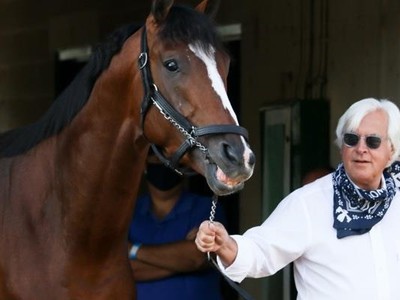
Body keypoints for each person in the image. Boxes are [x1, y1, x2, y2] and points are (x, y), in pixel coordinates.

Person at [195, 98, 400, 299]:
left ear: (391, 150)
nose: (361, 148)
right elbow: (261, 251)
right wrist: (226, 244)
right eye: (352, 139)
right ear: (342, 147)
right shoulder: (309, 202)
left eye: (373, 141)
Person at [127, 152, 226, 300]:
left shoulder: (206, 207)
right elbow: (123, 270)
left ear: (184, 168)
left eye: (171, 160)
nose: (164, 165)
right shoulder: (129, 212)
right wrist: (182, 261)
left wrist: (132, 250)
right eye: (158, 159)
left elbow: (197, 258)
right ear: (145, 165)